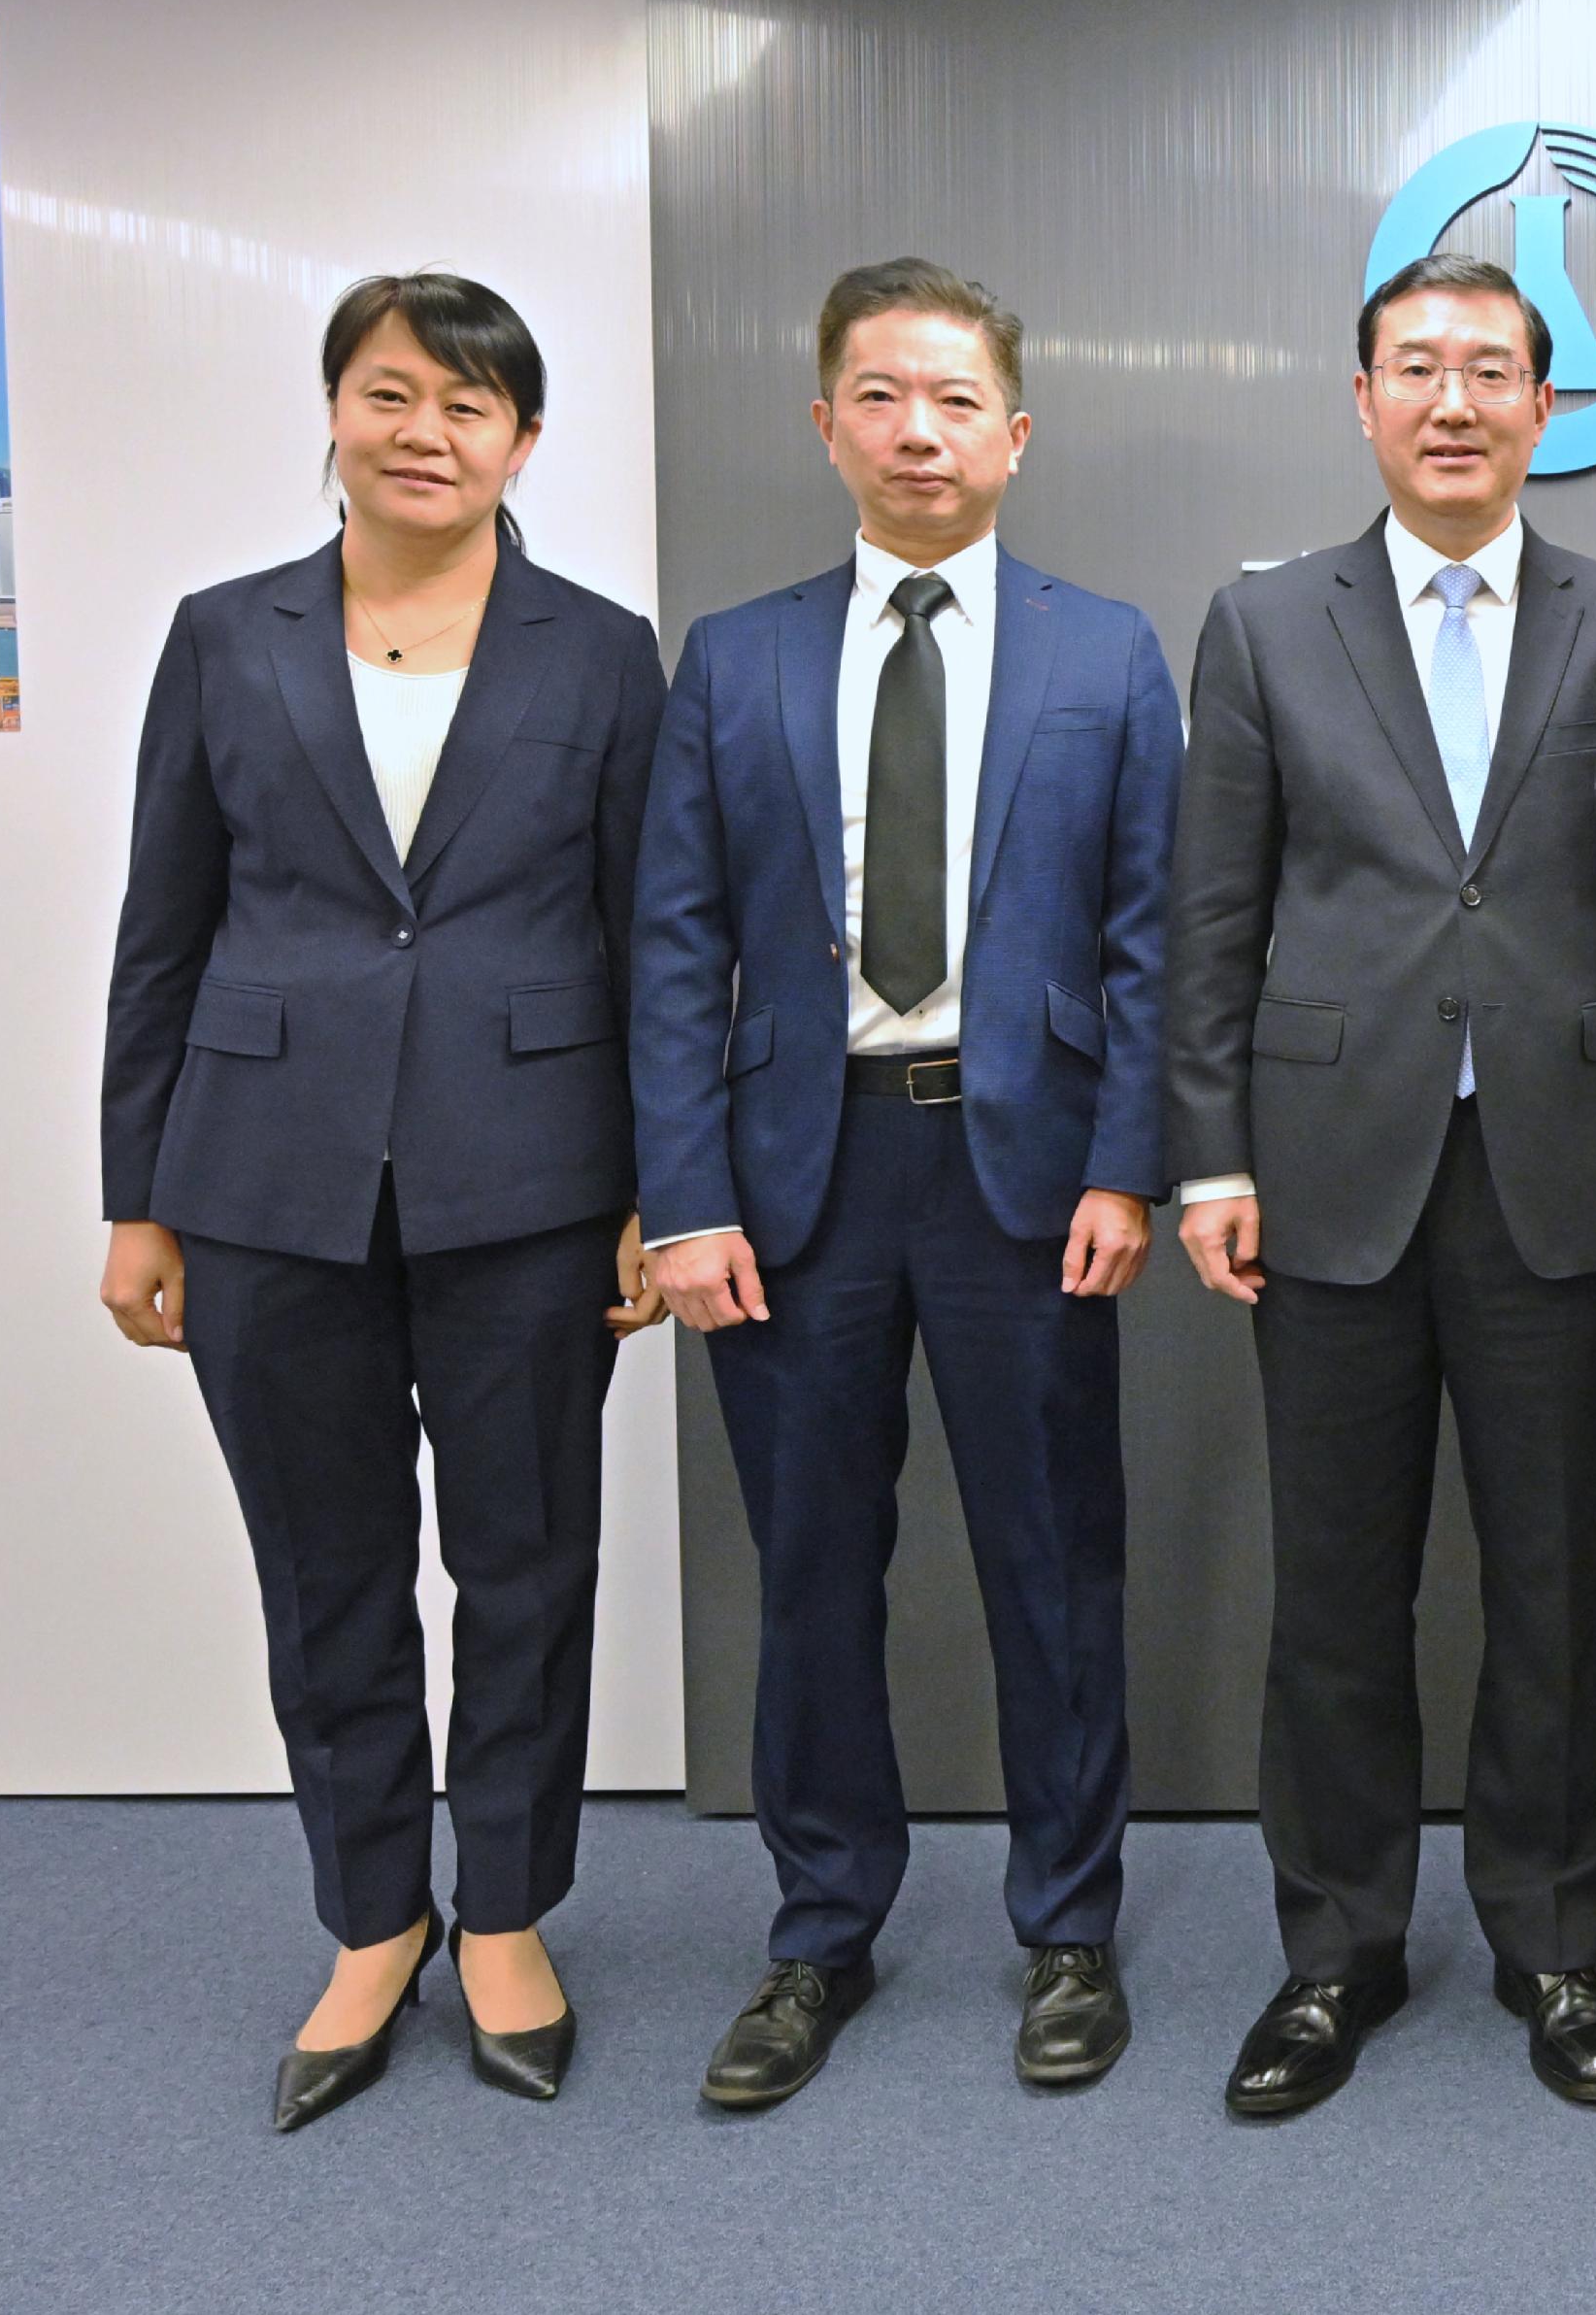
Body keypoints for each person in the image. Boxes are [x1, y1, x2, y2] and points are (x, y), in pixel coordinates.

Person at [99, 272, 670, 2130]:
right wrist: (138, 1195)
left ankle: (502, 1910)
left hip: (529, 1179)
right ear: (335, 409)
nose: (426, 432)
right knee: (325, 1570)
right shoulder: (223, 636)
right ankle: (371, 1919)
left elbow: (644, 938)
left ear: (522, 442)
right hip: (262, 1183)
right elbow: (162, 930)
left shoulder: (596, 650)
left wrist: (655, 1191)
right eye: (392, 393)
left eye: (470, 406)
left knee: (523, 1568)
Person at [629, 258, 1180, 2111]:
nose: (918, 430)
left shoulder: (1108, 652)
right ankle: (819, 1936)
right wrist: (684, 1196)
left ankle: (1069, 1929)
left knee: (1053, 1567)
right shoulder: (736, 655)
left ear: (1015, 436)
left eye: (954, 401)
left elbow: (1148, 944)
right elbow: (671, 949)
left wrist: (1133, 1165)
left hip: (1029, 1176)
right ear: (825, 425)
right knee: (811, 1571)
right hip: (800, 1175)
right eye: (880, 395)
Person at [1163, 254, 1596, 2118]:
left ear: (1549, 410)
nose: (1454, 401)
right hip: (1323, 1169)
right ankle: (1338, 1951)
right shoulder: (1263, 624)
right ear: (1365, 398)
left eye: (1491, 371)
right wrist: (1209, 1152)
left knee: (1554, 1579)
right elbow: (1213, 910)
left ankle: (1556, 1940)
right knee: (1335, 1588)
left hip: (1557, 1166)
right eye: (1418, 368)